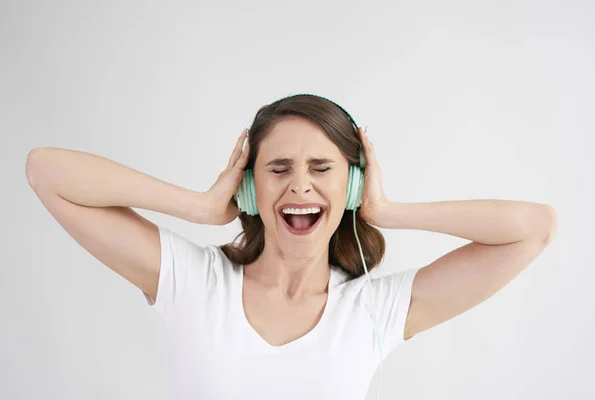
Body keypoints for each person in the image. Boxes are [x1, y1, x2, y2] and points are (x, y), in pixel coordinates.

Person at [25, 94, 557, 400]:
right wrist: (202, 206)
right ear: (252, 188)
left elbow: (534, 227)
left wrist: (385, 211)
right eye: (278, 169)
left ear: (349, 187)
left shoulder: (374, 310)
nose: (299, 186)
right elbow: (46, 170)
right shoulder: (194, 281)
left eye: (321, 169)